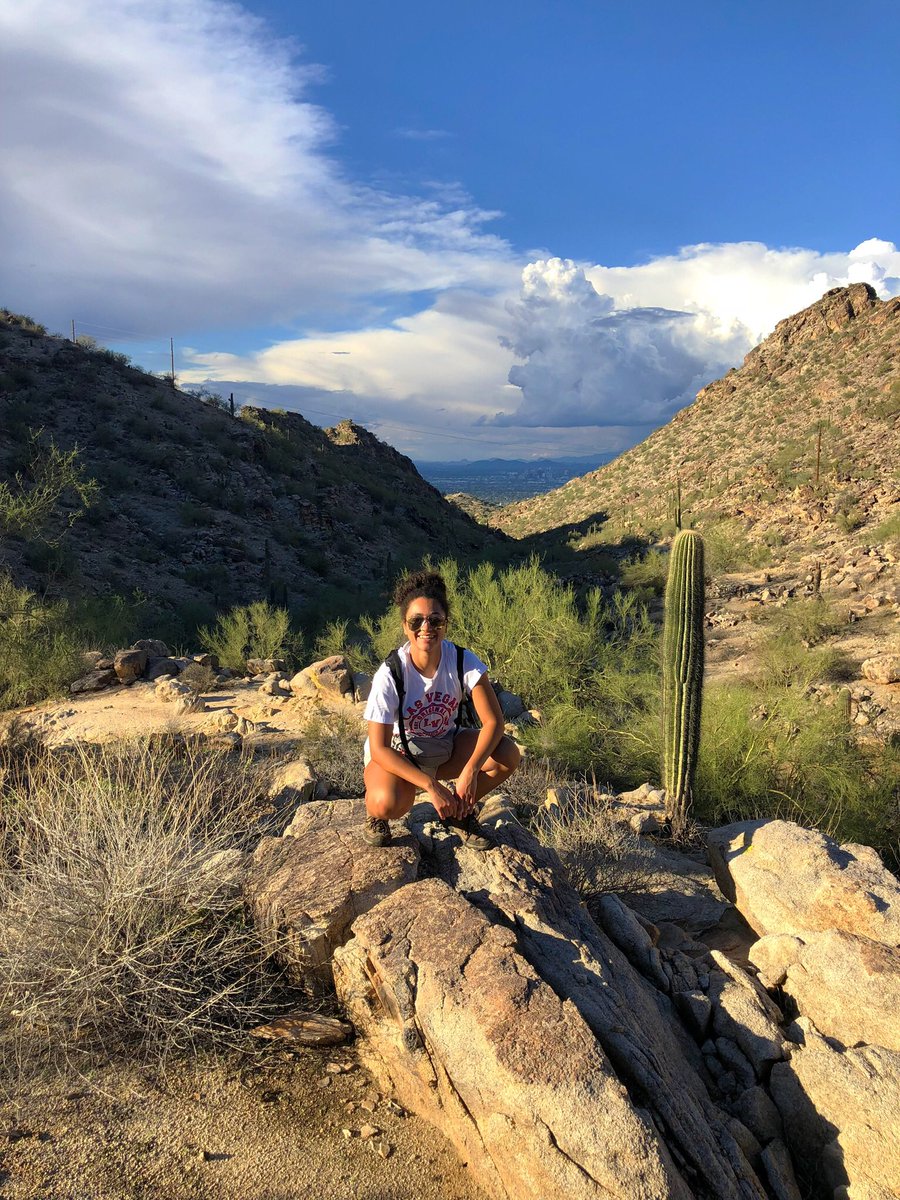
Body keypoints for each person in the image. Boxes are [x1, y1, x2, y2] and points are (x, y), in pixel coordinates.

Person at [362, 570, 521, 850]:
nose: (426, 627)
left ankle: (459, 814)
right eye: (417, 621)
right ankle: (377, 816)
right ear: (404, 626)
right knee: (386, 802)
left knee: (507, 754)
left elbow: (494, 722)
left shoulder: (462, 660)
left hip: (445, 745)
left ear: (445, 624)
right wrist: (430, 786)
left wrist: (470, 771)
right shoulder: (391, 674)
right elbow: (379, 749)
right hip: (401, 752)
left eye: (435, 620)